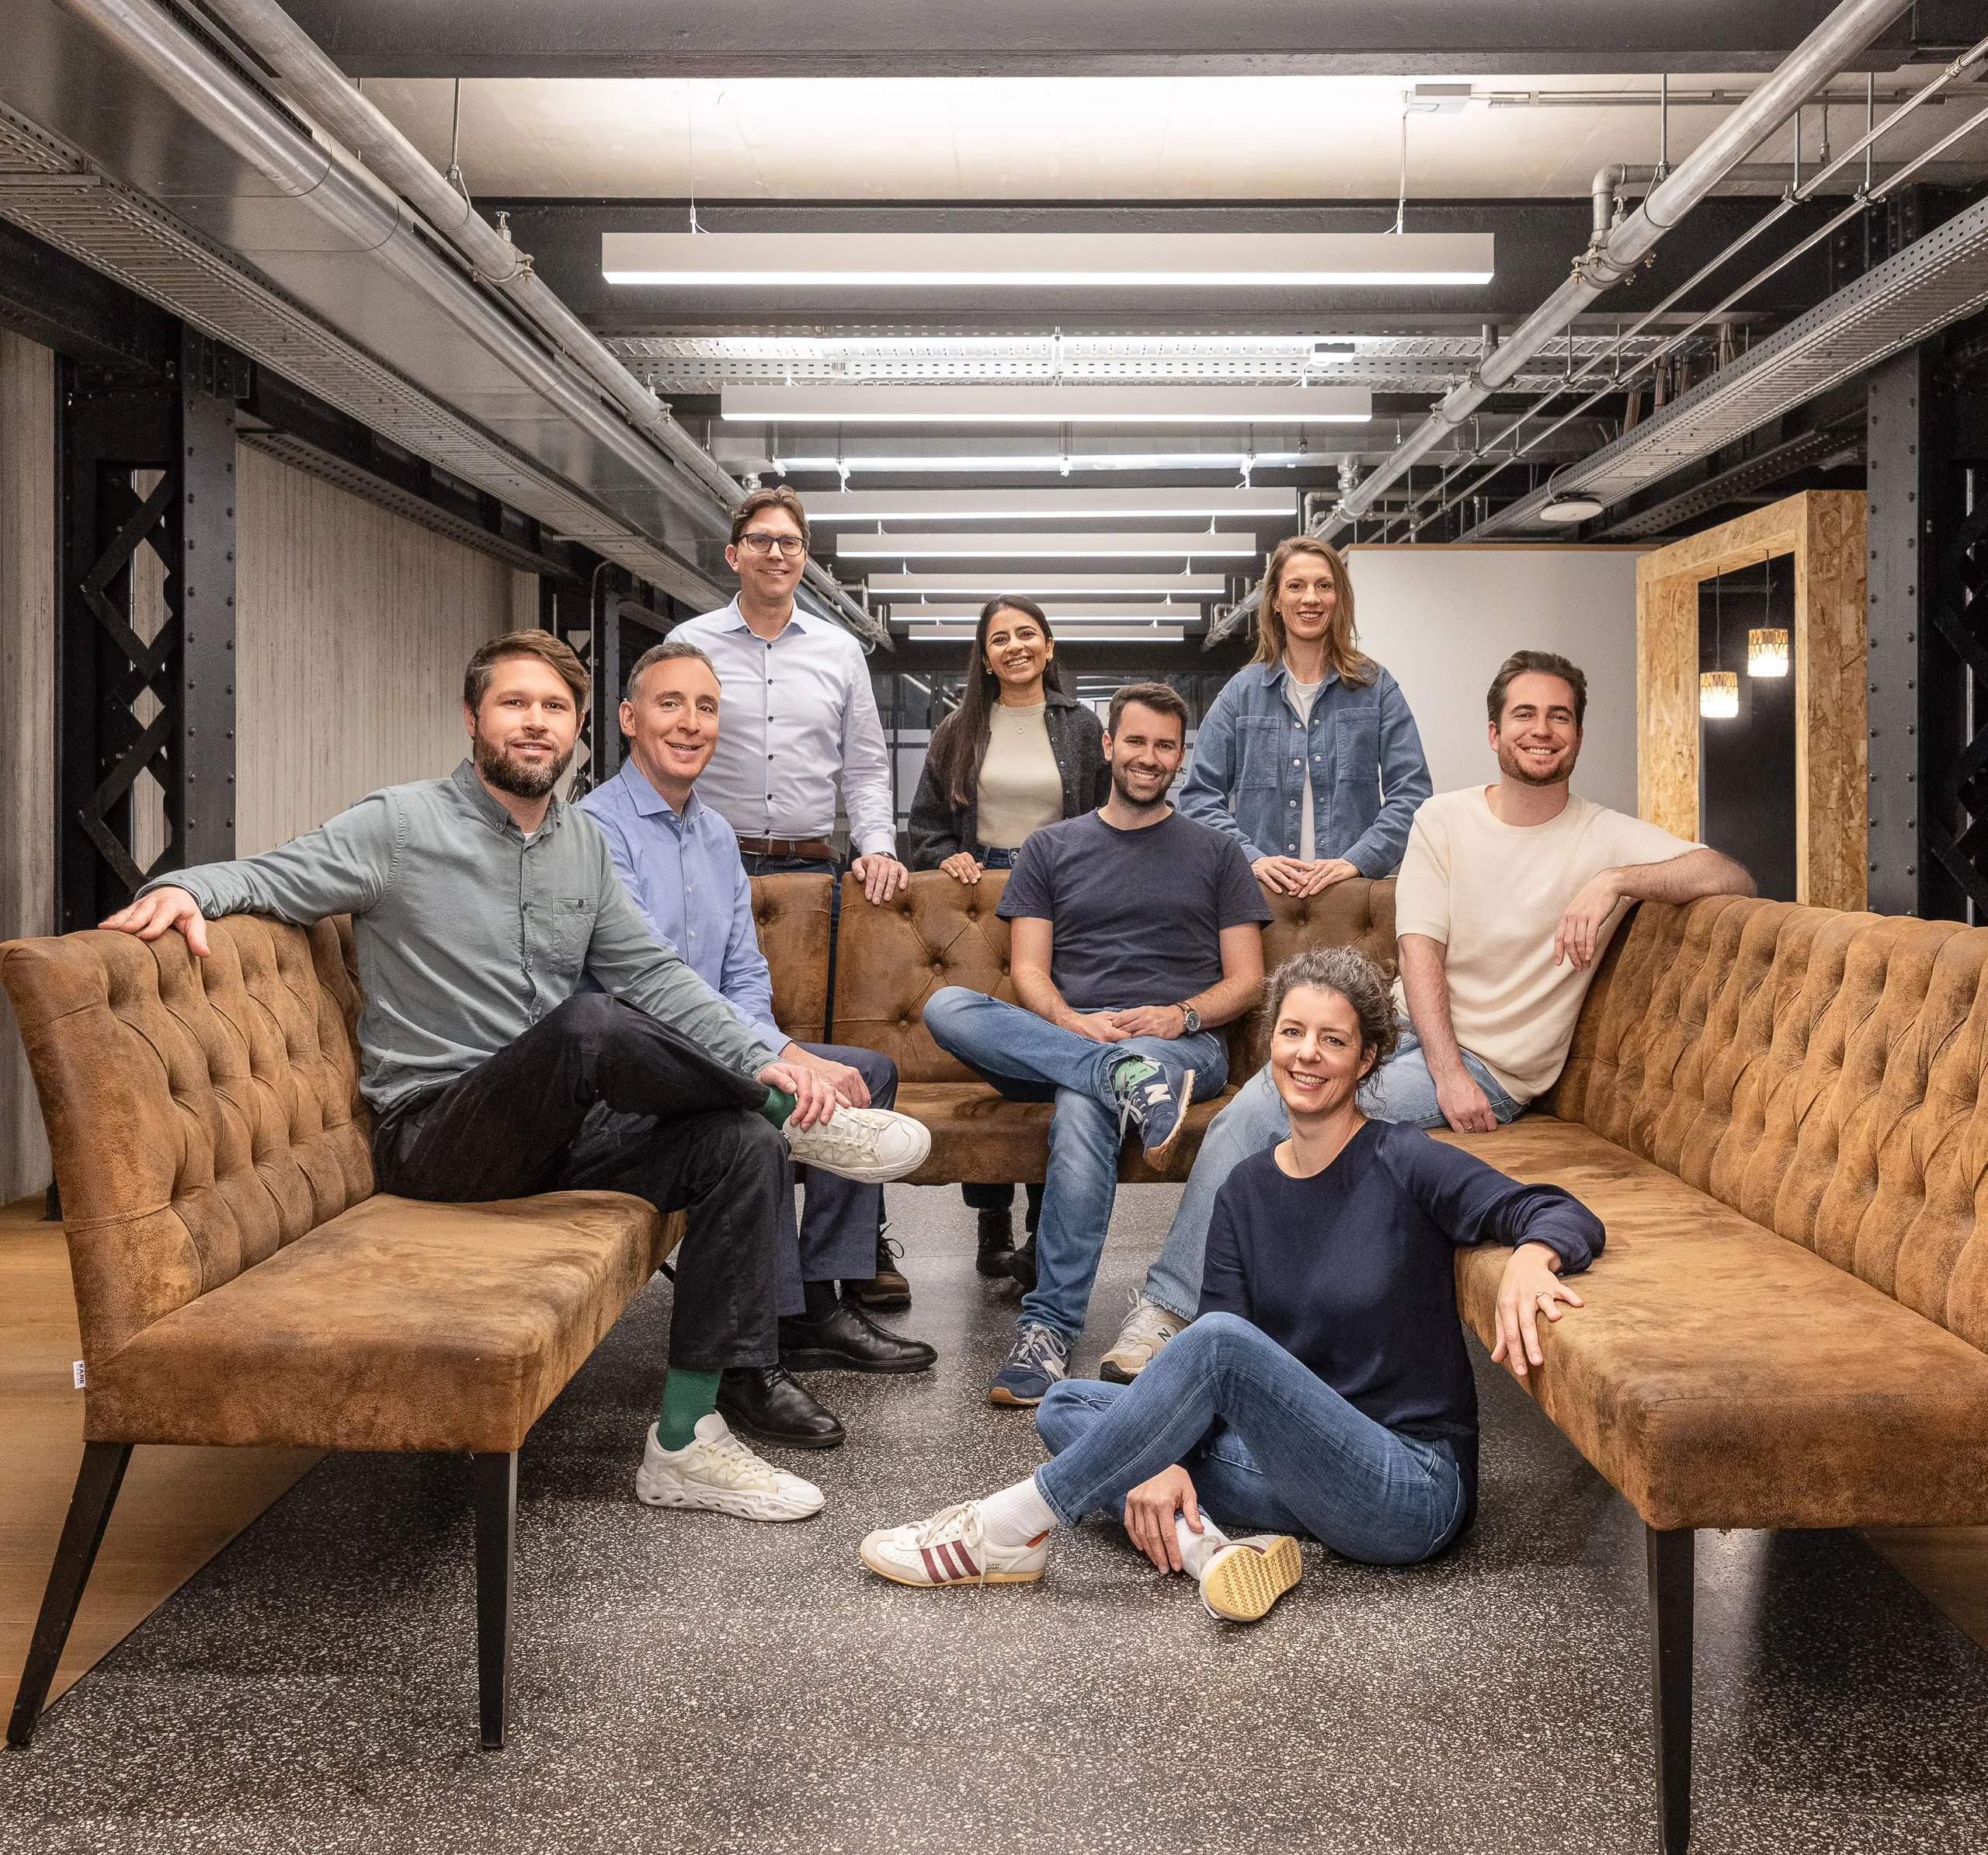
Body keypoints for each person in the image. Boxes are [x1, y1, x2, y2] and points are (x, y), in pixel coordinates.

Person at [102, 630, 930, 1523]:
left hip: (555, 1132)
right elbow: (271, 874)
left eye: (552, 708)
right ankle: (792, 1114)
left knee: (738, 1146)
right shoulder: (401, 823)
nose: (534, 723)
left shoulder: (580, 846)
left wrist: (761, 1052)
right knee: (587, 1026)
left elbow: (655, 975)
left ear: (578, 727)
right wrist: (189, 887)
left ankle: (686, 1443)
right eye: (513, 704)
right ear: (472, 718)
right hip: (435, 1136)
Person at [858, 947, 1604, 1619]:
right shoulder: (1246, 1189)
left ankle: (1010, 1526)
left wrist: (1535, 1255)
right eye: (1292, 1032)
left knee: (1206, 1351)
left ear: (1369, 1058)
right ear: (1271, 1043)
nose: (1307, 1055)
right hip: (1298, 1472)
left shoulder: (1404, 1158)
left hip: (1408, 1489)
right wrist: (1170, 1461)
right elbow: (1209, 1368)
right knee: (1065, 1405)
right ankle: (1207, 1551)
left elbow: (1555, 1209)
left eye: (1333, 1039)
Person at [1102, 647, 1752, 1385]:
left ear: (1578, 733)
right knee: (1254, 1111)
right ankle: (1189, 1313)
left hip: (1494, 1071)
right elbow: (1419, 952)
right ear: (1493, 732)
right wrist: (1441, 1069)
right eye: (1525, 715)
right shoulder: (1444, 819)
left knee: (1266, 1117)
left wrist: (1615, 881)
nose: (1542, 731)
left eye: (1559, 716)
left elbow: (1729, 873)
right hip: (1414, 1042)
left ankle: (1203, 1321)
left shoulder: (1604, 835)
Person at [580, 637, 937, 1453]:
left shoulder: (713, 836)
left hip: (724, 1044)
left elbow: (741, 976)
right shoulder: (596, 831)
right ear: (629, 720)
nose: (691, 722)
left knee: (865, 1072)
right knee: (760, 1119)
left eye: (706, 707)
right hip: (640, 1073)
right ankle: (757, 1346)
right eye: (670, 703)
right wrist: (767, 1060)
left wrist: (784, 1046)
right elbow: (646, 984)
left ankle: (818, 1302)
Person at [1103, 534, 1432, 1381]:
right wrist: (1250, 853)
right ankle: (1178, 1306)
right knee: (1278, 1080)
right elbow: (1201, 793)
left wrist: (1356, 858)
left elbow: (1414, 793)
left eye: (1324, 584)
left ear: (1337, 597)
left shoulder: (1376, 687)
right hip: (1266, 903)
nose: (1310, 597)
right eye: (1296, 585)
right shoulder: (1242, 693)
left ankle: (1295, 1304)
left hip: (1351, 905)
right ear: (1273, 600)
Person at [921, 681, 1270, 1408]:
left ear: (1181, 755)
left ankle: (1047, 1330)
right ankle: (1118, 1074)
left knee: (1084, 1102)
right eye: (1135, 741)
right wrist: (1075, 1025)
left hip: (1178, 1047)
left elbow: (1246, 981)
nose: (1149, 757)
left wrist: (1181, 1015)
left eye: (1165, 746)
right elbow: (1028, 972)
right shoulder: (1051, 847)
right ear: (1108, 745)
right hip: (1070, 1037)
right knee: (948, 1003)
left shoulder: (1217, 853)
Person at [672, 485, 915, 1311]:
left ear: (803, 558)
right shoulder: (689, 643)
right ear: (733, 552)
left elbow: (865, 766)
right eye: (761, 539)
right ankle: (760, 1256)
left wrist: (877, 844)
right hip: (714, 864)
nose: (778, 553)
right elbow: (672, 751)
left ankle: (838, 1264)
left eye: (792, 542)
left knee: (828, 1054)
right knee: (737, 1050)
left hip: (814, 876)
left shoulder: (839, 650)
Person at [906, 595, 1110, 1285]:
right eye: (1000, 638)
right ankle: (990, 1218)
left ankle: (1039, 1231)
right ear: (985, 655)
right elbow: (927, 826)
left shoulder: (1085, 728)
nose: (1015, 646)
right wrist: (945, 857)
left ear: (1050, 647)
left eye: (1028, 634)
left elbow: (1111, 816)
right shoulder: (957, 729)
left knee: (1055, 1046)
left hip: (1064, 892)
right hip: (980, 896)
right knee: (989, 1050)